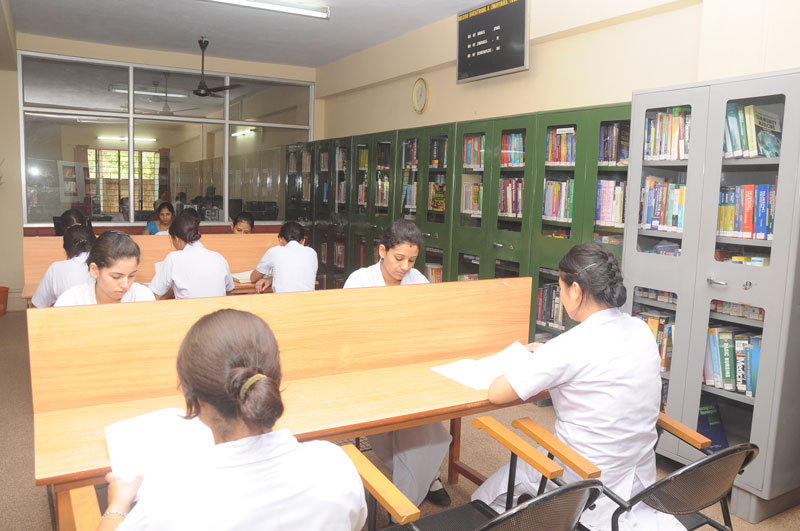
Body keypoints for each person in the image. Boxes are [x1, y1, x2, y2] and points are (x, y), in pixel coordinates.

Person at [471, 242, 682, 531]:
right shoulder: (642, 330)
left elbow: (497, 393)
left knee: (484, 499)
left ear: (576, 291)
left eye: (560, 289)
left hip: (579, 476)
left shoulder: (568, 346)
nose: (560, 296)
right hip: (636, 478)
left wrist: (530, 358)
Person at [98, 309, 367, 531]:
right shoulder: (335, 465)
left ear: (194, 398)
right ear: (275, 380)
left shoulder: (168, 505)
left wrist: (117, 504)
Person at [342, 219, 451, 508]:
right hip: (369, 367)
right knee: (395, 421)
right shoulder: (360, 281)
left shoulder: (419, 280)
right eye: (399, 258)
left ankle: (413, 488)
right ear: (382, 250)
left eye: (412, 261)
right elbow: (348, 332)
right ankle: (426, 479)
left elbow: (431, 326)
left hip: (410, 363)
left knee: (426, 418)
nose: (405, 267)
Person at [54, 231, 155, 306]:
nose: (125, 284)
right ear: (94, 270)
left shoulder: (142, 297)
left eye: (131, 275)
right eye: (116, 277)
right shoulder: (71, 301)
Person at [149, 214, 234, 299]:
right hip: (217, 311)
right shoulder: (218, 257)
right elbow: (229, 289)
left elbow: (155, 294)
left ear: (177, 239)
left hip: (189, 311)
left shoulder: (173, 258)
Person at [32, 225, 96, 307]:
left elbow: (38, 305)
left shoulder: (55, 268)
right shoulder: (106, 263)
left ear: (65, 249)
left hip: (67, 318)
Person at [250, 221, 316, 294]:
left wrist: (269, 279)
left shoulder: (274, 251)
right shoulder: (312, 253)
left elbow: (253, 278)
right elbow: (294, 275)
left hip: (283, 302)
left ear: (280, 239)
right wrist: (270, 280)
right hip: (309, 302)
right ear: (303, 241)